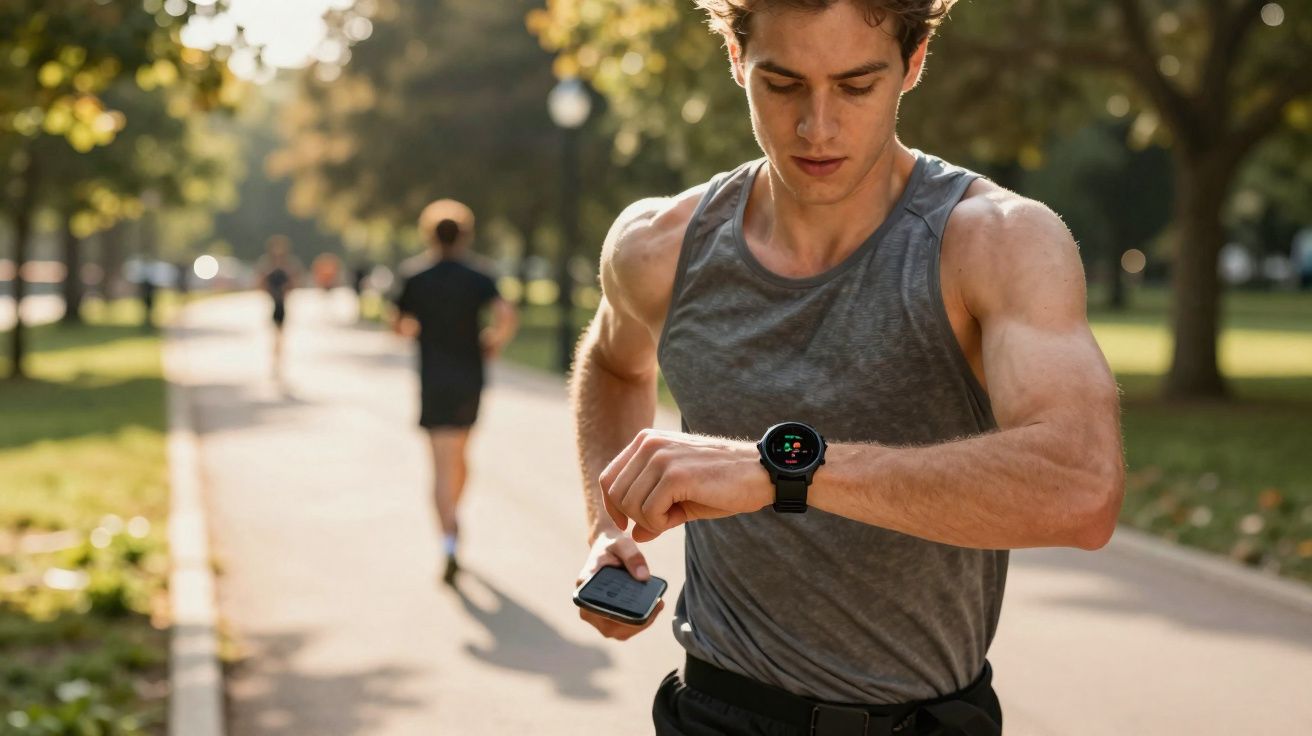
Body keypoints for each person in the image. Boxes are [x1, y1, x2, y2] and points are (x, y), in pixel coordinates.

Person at [569, 1, 1125, 734]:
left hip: (925, 721)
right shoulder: (658, 245)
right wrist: (608, 526)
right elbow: (614, 364)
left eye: (857, 86)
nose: (817, 126)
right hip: (714, 712)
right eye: (783, 84)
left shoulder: (996, 241)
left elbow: (1082, 486)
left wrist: (782, 473)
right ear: (737, 61)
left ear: (914, 62)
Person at [390, 199, 518, 586]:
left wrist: (417, 332)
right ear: (465, 234)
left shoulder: (415, 276)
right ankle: (452, 519)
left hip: (433, 377)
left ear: (428, 234)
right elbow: (507, 314)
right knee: (461, 456)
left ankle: (449, 535)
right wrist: (493, 341)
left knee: (440, 463)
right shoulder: (479, 275)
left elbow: (397, 325)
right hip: (469, 377)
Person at [257, 235, 298, 379]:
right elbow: (260, 284)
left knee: (279, 337)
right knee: (275, 336)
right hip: (274, 305)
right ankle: (275, 362)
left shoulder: (287, 267)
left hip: (282, 305)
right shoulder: (268, 267)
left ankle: (278, 362)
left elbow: (293, 284)